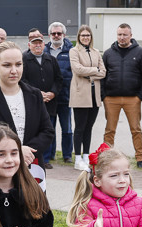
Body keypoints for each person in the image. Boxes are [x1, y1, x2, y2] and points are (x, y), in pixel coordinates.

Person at [0, 40, 54, 165]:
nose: (14, 70)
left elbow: (47, 131)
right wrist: (15, 152)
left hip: (32, 165)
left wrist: (28, 152)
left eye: (18, 64)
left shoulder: (35, 94)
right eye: (7, 65)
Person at [102, 23, 142, 168]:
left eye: (125, 35)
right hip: (111, 98)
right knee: (109, 130)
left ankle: (140, 158)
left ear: (131, 35)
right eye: (119, 34)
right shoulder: (108, 53)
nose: (122, 37)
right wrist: (104, 96)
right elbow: (102, 76)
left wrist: (140, 96)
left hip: (132, 98)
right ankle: (106, 158)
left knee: (136, 129)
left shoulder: (140, 53)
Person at [21, 28, 64, 168]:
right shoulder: (24, 59)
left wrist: (53, 93)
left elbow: (59, 79)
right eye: (34, 43)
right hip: (32, 102)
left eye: (40, 43)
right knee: (35, 130)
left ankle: (47, 157)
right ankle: (36, 157)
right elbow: (22, 80)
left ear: (44, 44)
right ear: (29, 45)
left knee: (49, 129)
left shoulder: (51, 59)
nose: (37, 45)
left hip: (50, 102)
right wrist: (37, 93)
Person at [68, 24, 106, 170]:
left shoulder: (96, 52)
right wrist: (95, 70)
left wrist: (90, 74)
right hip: (80, 95)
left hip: (94, 95)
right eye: (83, 35)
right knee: (80, 128)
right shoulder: (74, 51)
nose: (85, 38)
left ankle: (86, 156)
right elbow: (77, 69)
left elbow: (103, 72)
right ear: (79, 37)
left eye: (88, 35)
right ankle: (77, 158)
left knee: (89, 127)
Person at [46, 21, 74, 165]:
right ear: (49, 35)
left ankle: (67, 155)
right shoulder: (44, 51)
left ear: (64, 34)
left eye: (59, 33)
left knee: (67, 128)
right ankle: (51, 154)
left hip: (65, 96)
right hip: (49, 97)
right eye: (53, 33)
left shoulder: (71, 51)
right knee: (49, 128)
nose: (56, 36)